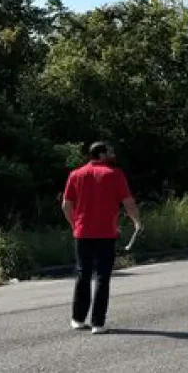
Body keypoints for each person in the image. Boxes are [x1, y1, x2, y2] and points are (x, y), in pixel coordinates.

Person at [61, 141, 141, 334]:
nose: (113, 154)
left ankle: (78, 319)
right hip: (106, 232)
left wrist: (74, 225)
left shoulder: (76, 174)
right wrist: (137, 221)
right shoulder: (114, 174)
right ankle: (98, 323)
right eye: (110, 151)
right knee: (103, 277)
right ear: (101, 154)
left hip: (82, 232)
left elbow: (66, 204)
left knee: (83, 274)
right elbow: (128, 202)